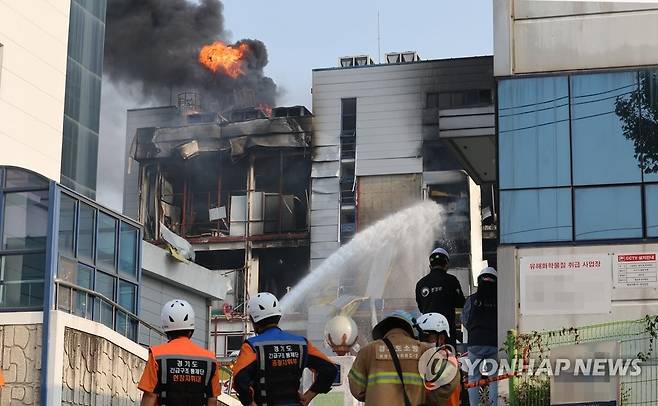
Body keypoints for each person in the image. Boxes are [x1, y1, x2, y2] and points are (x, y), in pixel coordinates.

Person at [232, 292, 337, 406]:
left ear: (253, 320)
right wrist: (308, 396)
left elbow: (239, 379)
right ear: (278, 316)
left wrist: (250, 403)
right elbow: (330, 369)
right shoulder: (301, 344)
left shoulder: (252, 346)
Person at [348, 310, 460, 406]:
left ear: (383, 330)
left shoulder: (367, 351)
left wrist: (376, 395)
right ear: (410, 329)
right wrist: (429, 401)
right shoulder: (423, 350)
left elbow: (357, 390)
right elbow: (451, 377)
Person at [138, 299, 221, 406]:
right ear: (191, 329)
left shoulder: (157, 355)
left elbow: (150, 395)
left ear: (166, 329)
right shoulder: (209, 359)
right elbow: (212, 399)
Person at [461, 267, 498, 406]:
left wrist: (473, 330)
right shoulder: (500, 300)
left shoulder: (472, 299)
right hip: (494, 343)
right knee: (494, 379)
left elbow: (464, 319)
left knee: (473, 377)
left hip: (475, 343)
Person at [416, 247, 466, 343]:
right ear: (446, 265)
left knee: (428, 356)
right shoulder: (452, 280)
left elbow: (421, 308)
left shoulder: (421, 283)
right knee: (449, 355)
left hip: (427, 331)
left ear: (430, 266)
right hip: (446, 329)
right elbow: (460, 303)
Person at [416, 312, 461, 406]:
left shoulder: (447, 360)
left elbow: (437, 394)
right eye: (420, 338)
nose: (422, 342)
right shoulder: (425, 358)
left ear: (441, 338)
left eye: (427, 338)